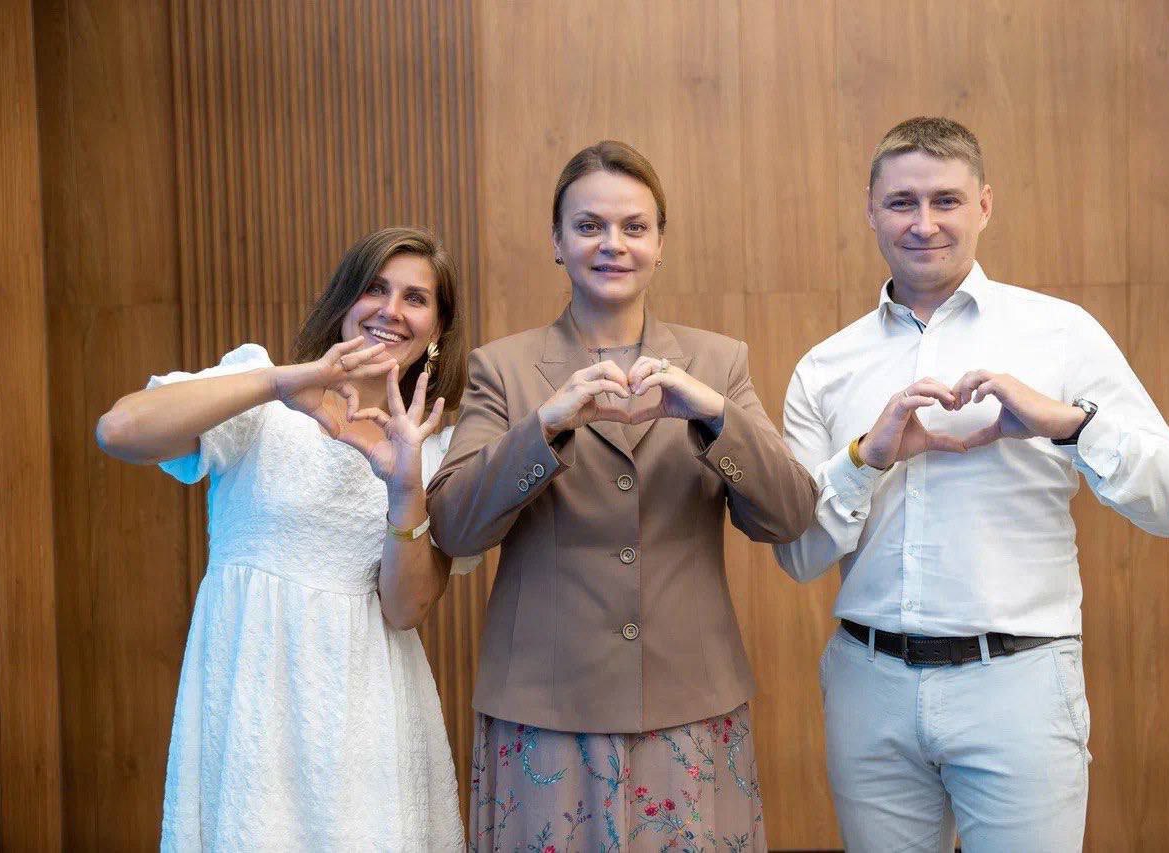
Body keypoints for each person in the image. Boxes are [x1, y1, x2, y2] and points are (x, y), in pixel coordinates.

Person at [774, 117, 1169, 852]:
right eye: (902, 202)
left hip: (1019, 685)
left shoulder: (1062, 334)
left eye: (946, 200)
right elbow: (800, 555)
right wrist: (866, 459)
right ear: (871, 210)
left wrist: (1069, 424)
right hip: (868, 688)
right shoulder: (824, 367)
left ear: (985, 205)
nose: (924, 223)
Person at [426, 140, 817, 851]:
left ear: (661, 243)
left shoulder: (718, 361)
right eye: (589, 226)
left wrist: (713, 414)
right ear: (557, 241)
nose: (613, 243)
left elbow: (790, 513)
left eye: (635, 226)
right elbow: (454, 527)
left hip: (690, 702)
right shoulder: (502, 368)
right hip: (544, 709)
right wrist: (544, 425)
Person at [95, 227, 475, 851]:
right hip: (249, 696)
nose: (391, 311)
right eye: (375, 289)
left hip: (370, 710)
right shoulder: (263, 397)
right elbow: (119, 430)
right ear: (344, 300)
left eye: (415, 298)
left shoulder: (438, 452)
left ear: (437, 329)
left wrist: (404, 485)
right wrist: (277, 383)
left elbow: (406, 609)